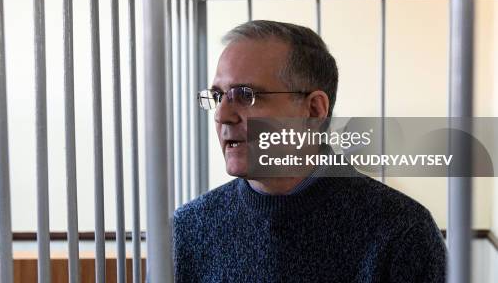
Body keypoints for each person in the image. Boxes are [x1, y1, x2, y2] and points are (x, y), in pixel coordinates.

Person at [172, 20, 446, 282]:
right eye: (218, 96)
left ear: (314, 110)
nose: (222, 115)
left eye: (245, 95)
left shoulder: (403, 233)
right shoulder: (186, 230)